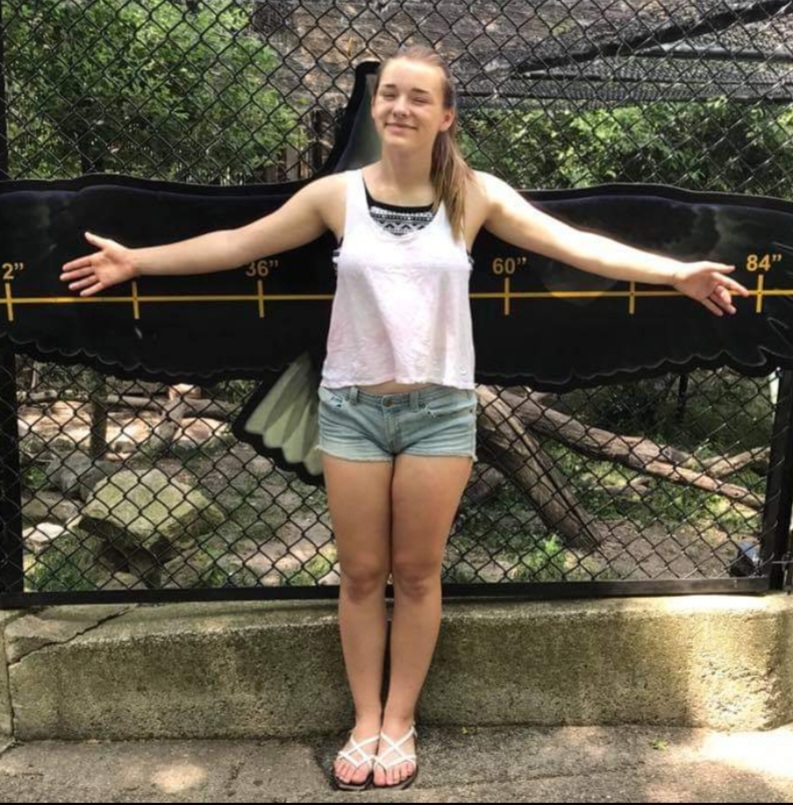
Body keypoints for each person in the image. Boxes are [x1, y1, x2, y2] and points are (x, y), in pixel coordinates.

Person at [60, 44, 749, 792]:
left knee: (417, 574)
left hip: (439, 412)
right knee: (361, 575)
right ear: (375, 104)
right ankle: (364, 720)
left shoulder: (474, 196)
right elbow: (237, 244)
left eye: (419, 97)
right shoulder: (335, 196)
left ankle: (400, 719)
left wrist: (676, 271)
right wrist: (138, 261)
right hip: (351, 410)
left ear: (445, 116)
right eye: (390, 93)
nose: (400, 107)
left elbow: (575, 245)